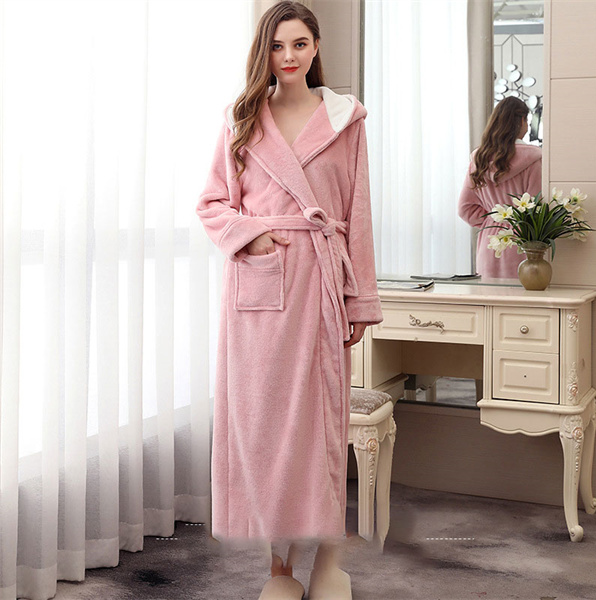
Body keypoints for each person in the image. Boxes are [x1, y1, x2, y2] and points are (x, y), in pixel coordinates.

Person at [196, 2, 382, 598]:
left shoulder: (345, 119)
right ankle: (278, 569)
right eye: (277, 46)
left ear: (316, 46)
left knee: (320, 425)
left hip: (320, 287)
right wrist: (251, 235)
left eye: (299, 44)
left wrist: (359, 301)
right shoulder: (242, 119)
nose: (289, 57)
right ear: (264, 53)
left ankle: (329, 560)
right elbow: (211, 204)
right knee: (264, 427)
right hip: (259, 294)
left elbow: (356, 214)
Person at [458, 96, 542, 278]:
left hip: (490, 243)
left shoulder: (479, 159)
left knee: (490, 295)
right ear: (521, 121)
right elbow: (536, 207)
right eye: (527, 121)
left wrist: (493, 220)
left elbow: (465, 209)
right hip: (524, 243)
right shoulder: (535, 160)